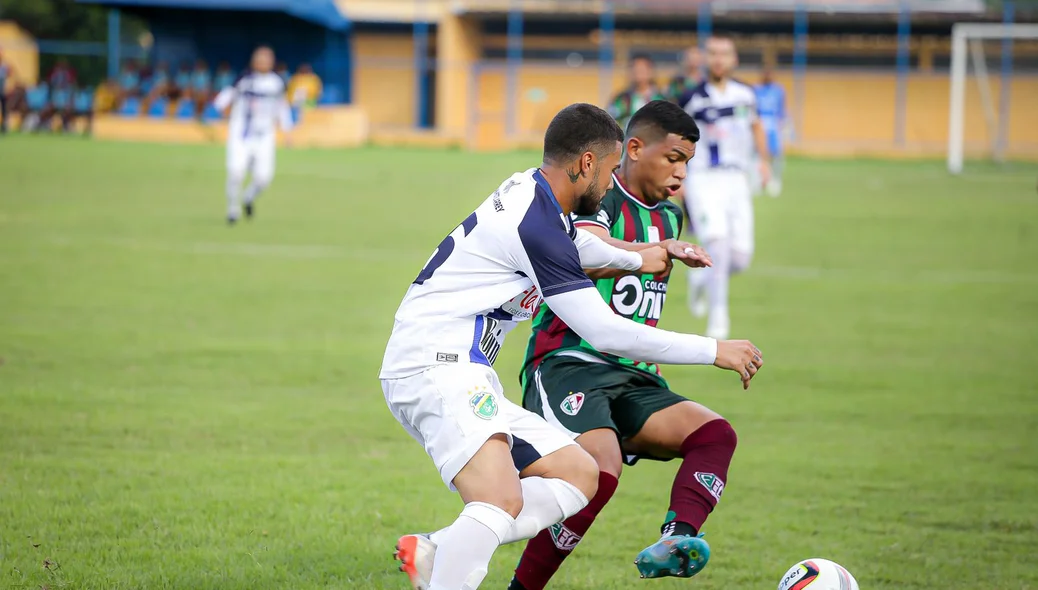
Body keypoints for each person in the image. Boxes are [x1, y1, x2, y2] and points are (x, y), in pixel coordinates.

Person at [380, 102, 764, 590]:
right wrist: (714, 350)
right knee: (499, 499)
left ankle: (442, 551)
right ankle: (447, 562)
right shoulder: (537, 225)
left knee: (578, 474)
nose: (608, 186)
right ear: (585, 163)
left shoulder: (533, 194)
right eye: (606, 173)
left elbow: (581, 249)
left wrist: (647, 256)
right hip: (436, 367)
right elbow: (605, 332)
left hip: (458, 368)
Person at [507, 100, 751, 589]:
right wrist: (651, 254)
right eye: (674, 157)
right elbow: (584, 254)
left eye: (688, 162)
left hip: (633, 375)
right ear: (634, 149)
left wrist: (661, 247)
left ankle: (676, 538)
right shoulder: (598, 198)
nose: (682, 172)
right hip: (567, 363)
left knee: (714, 434)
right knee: (600, 471)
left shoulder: (669, 217)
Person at [678, 33, 771, 340]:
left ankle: (701, 282)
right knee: (716, 243)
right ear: (705, 58)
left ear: (734, 60)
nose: (718, 59)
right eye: (713, 53)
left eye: (724, 53)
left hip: (736, 180)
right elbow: (676, 139)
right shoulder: (692, 98)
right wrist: (678, 178)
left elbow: (756, 126)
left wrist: (764, 161)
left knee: (740, 258)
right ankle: (718, 318)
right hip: (704, 179)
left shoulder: (745, 94)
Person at [213, 46, 293, 224]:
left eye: (267, 59)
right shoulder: (244, 80)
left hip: (264, 136)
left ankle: (248, 198)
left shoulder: (276, 83)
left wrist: (287, 132)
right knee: (236, 173)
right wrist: (218, 109)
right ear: (254, 61)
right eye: (260, 59)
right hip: (241, 134)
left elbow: (282, 108)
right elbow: (224, 98)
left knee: (263, 179)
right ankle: (232, 210)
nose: (263, 63)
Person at [607, 54, 668, 131]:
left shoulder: (661, 99)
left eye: (642, 69)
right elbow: (610, 121)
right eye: (634, 69)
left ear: (650, 71)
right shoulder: (621, 99)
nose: (637, 72)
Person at [755, 66, 786, 197]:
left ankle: (775, 180)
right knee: (757, 154)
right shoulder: (756, 90)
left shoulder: (778, 90)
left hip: (773, 125)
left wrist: (784, 124)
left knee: (776, 154)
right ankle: (759, 181)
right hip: (760, 124)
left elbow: (781, 109)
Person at [0, 50, 17, 134]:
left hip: (2, 92)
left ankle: (4, 126)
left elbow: (11, 77)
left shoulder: (4, 67)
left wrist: (10, 87)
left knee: (4, 110)